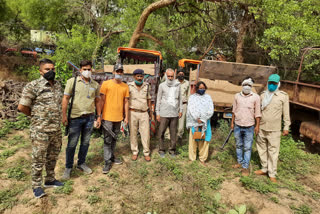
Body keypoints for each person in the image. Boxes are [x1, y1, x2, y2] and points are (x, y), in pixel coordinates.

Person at [18, 58, 64, 198]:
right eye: (47, 69)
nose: (51, 71)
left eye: (53, 69)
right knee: (38, 159)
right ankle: (36, 185)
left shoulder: (57, 85)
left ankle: (50, 179)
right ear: (40, 71)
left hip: (55, 129)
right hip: (40, 130)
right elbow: (22, 107)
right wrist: (35, 117)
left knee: (53, 156)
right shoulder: (33, 86)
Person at [61, 60, 101, 180]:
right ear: (80, 70)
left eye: (89, 69)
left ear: (92, 70)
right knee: (72, 144)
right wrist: (64, 115)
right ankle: (68, 167)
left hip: (89, 118)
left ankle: (81, 163)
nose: (87, 71)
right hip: (75, 118)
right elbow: (65, 98)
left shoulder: (95, 84)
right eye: (84, 69)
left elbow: (98, 101)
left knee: (85, 143)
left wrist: (99, 116)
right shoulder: (72, 82)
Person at [255, 74, 290, 183]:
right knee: (262, 149)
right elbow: (258, 111)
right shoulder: (263, 95)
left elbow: (286, 113)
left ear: (278, 84)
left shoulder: (283, 96)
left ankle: (272, 173)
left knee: (273, 151)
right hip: (262, 127)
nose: (271, 85)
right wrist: (256, 125)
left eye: (274, 83)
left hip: (274, 129)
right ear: (267, 83)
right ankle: (264, 168)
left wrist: (286, 126)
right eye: (270, 83)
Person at [100, 63, 129, 174]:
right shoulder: (106, 84)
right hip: (107, 117)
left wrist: (126, 116)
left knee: (114, 138)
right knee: (107, 140)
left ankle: (111, 156)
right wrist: (99, 115)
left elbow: (126, 102)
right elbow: (101, 100)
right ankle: (107, 161)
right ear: (113, 72)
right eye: (117, 71)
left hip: (119, 117)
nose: (119, 73)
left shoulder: (125, 86)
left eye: (121, 71)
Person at [230, 77, 261, 176]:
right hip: (238, 125)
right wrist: (232, 123)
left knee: (247, 148)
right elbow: (234, 110)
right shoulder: (236, 96)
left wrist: (257, 126)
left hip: (249, 126)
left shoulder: (256, 97)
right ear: (242, 86)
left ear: (251, 87)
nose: (247, 87)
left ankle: (245, 167)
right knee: (239, 145)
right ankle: (239, 162)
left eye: (249, 85)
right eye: (245, 85)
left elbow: (257, 113)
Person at [156, 68, 182, 157]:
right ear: (166, 76)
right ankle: (161, 149)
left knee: (173, 133)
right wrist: (157, 112)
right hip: (164, 113)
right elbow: (158, 100)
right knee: (161, 132)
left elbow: (180, 99)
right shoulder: (162, 85)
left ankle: (172, 150)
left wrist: (180, 110)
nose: (170, 78)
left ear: (174, 76)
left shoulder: (177, 85)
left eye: (172, 76)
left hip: (174, 113)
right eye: (168, 76)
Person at [187, 81, 214, 165]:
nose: (202, 90)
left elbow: (210, 109)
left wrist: (203, 119)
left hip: (205, 122)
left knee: (204, 140)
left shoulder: (208, 98)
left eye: (203, 88)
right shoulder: (192, 98)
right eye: (200, 88)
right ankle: (192, 158)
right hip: (194, 121)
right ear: (197, 88)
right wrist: (196, 118)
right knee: (193, 140)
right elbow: (191, 109)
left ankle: (202, 159)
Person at [128, 69, 151, 161]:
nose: (139, 78)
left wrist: (150, 112)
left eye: (141, 76)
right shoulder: (129, 86)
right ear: (134, 77)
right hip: (132, 112)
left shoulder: (147, 86)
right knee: (133, 133)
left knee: (145, 133)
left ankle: (146, 152)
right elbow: (126, 99)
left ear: (143, 77)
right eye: (137, 76)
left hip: (144, 113)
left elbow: (149, 99)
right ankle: (134, 151)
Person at [165, 69, 189, 144]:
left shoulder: (187, 83)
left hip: (184, 104)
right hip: (173, 105)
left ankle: (179, 137)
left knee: (181, 124)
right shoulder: (173, 82)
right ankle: (168, 138)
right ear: (177, 75)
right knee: (171, 121)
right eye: (179, 73)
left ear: (184, 75)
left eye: (182, 74)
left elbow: (188, 95)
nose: (181, 75)